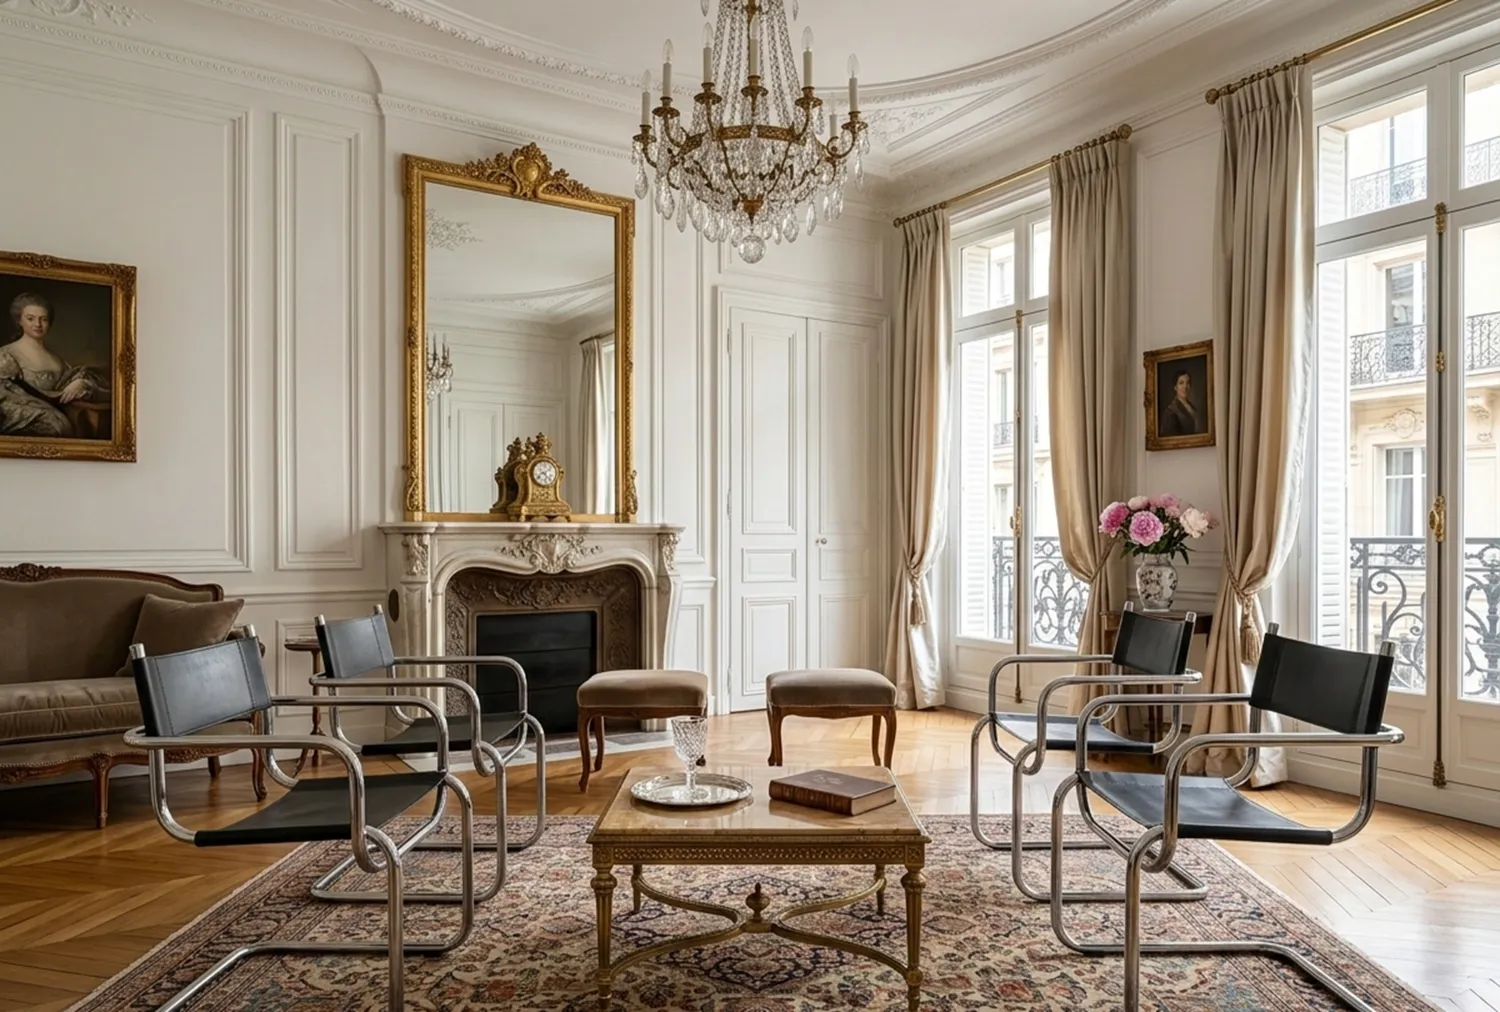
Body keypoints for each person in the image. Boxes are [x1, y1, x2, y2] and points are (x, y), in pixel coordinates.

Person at [0, 292, 109, 438]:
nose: (38, 324)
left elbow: (68, 388)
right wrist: (48, 414)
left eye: (43, 319)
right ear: (19, 320)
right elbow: (5, 396)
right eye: (30, 318)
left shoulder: (57, 360)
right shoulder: (7, 354)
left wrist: (81, 383)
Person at [1159, 368, 1204, 437]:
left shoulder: (1192, 408)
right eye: (1181, 383)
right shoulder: (1170, 411)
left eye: (1188, 383)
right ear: (1175, 387)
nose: (1185, 386)